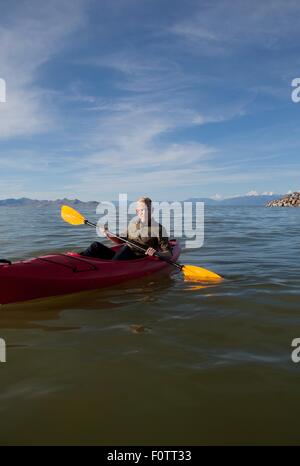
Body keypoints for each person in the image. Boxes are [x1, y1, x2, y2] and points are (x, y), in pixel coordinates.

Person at [80, 197, 172, 261]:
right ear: (137, 211)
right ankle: (75, 261)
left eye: (147, 208)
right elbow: (120, 240)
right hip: (124, 253)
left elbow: (169, 254)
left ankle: (109, 267)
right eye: (141, 209)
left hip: (137, 258)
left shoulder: (159, 229)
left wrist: (157, 253)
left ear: (152, 210)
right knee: (95, 246)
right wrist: (108, 234)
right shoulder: (133, 224)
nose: (144, 211)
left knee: (125, 249)